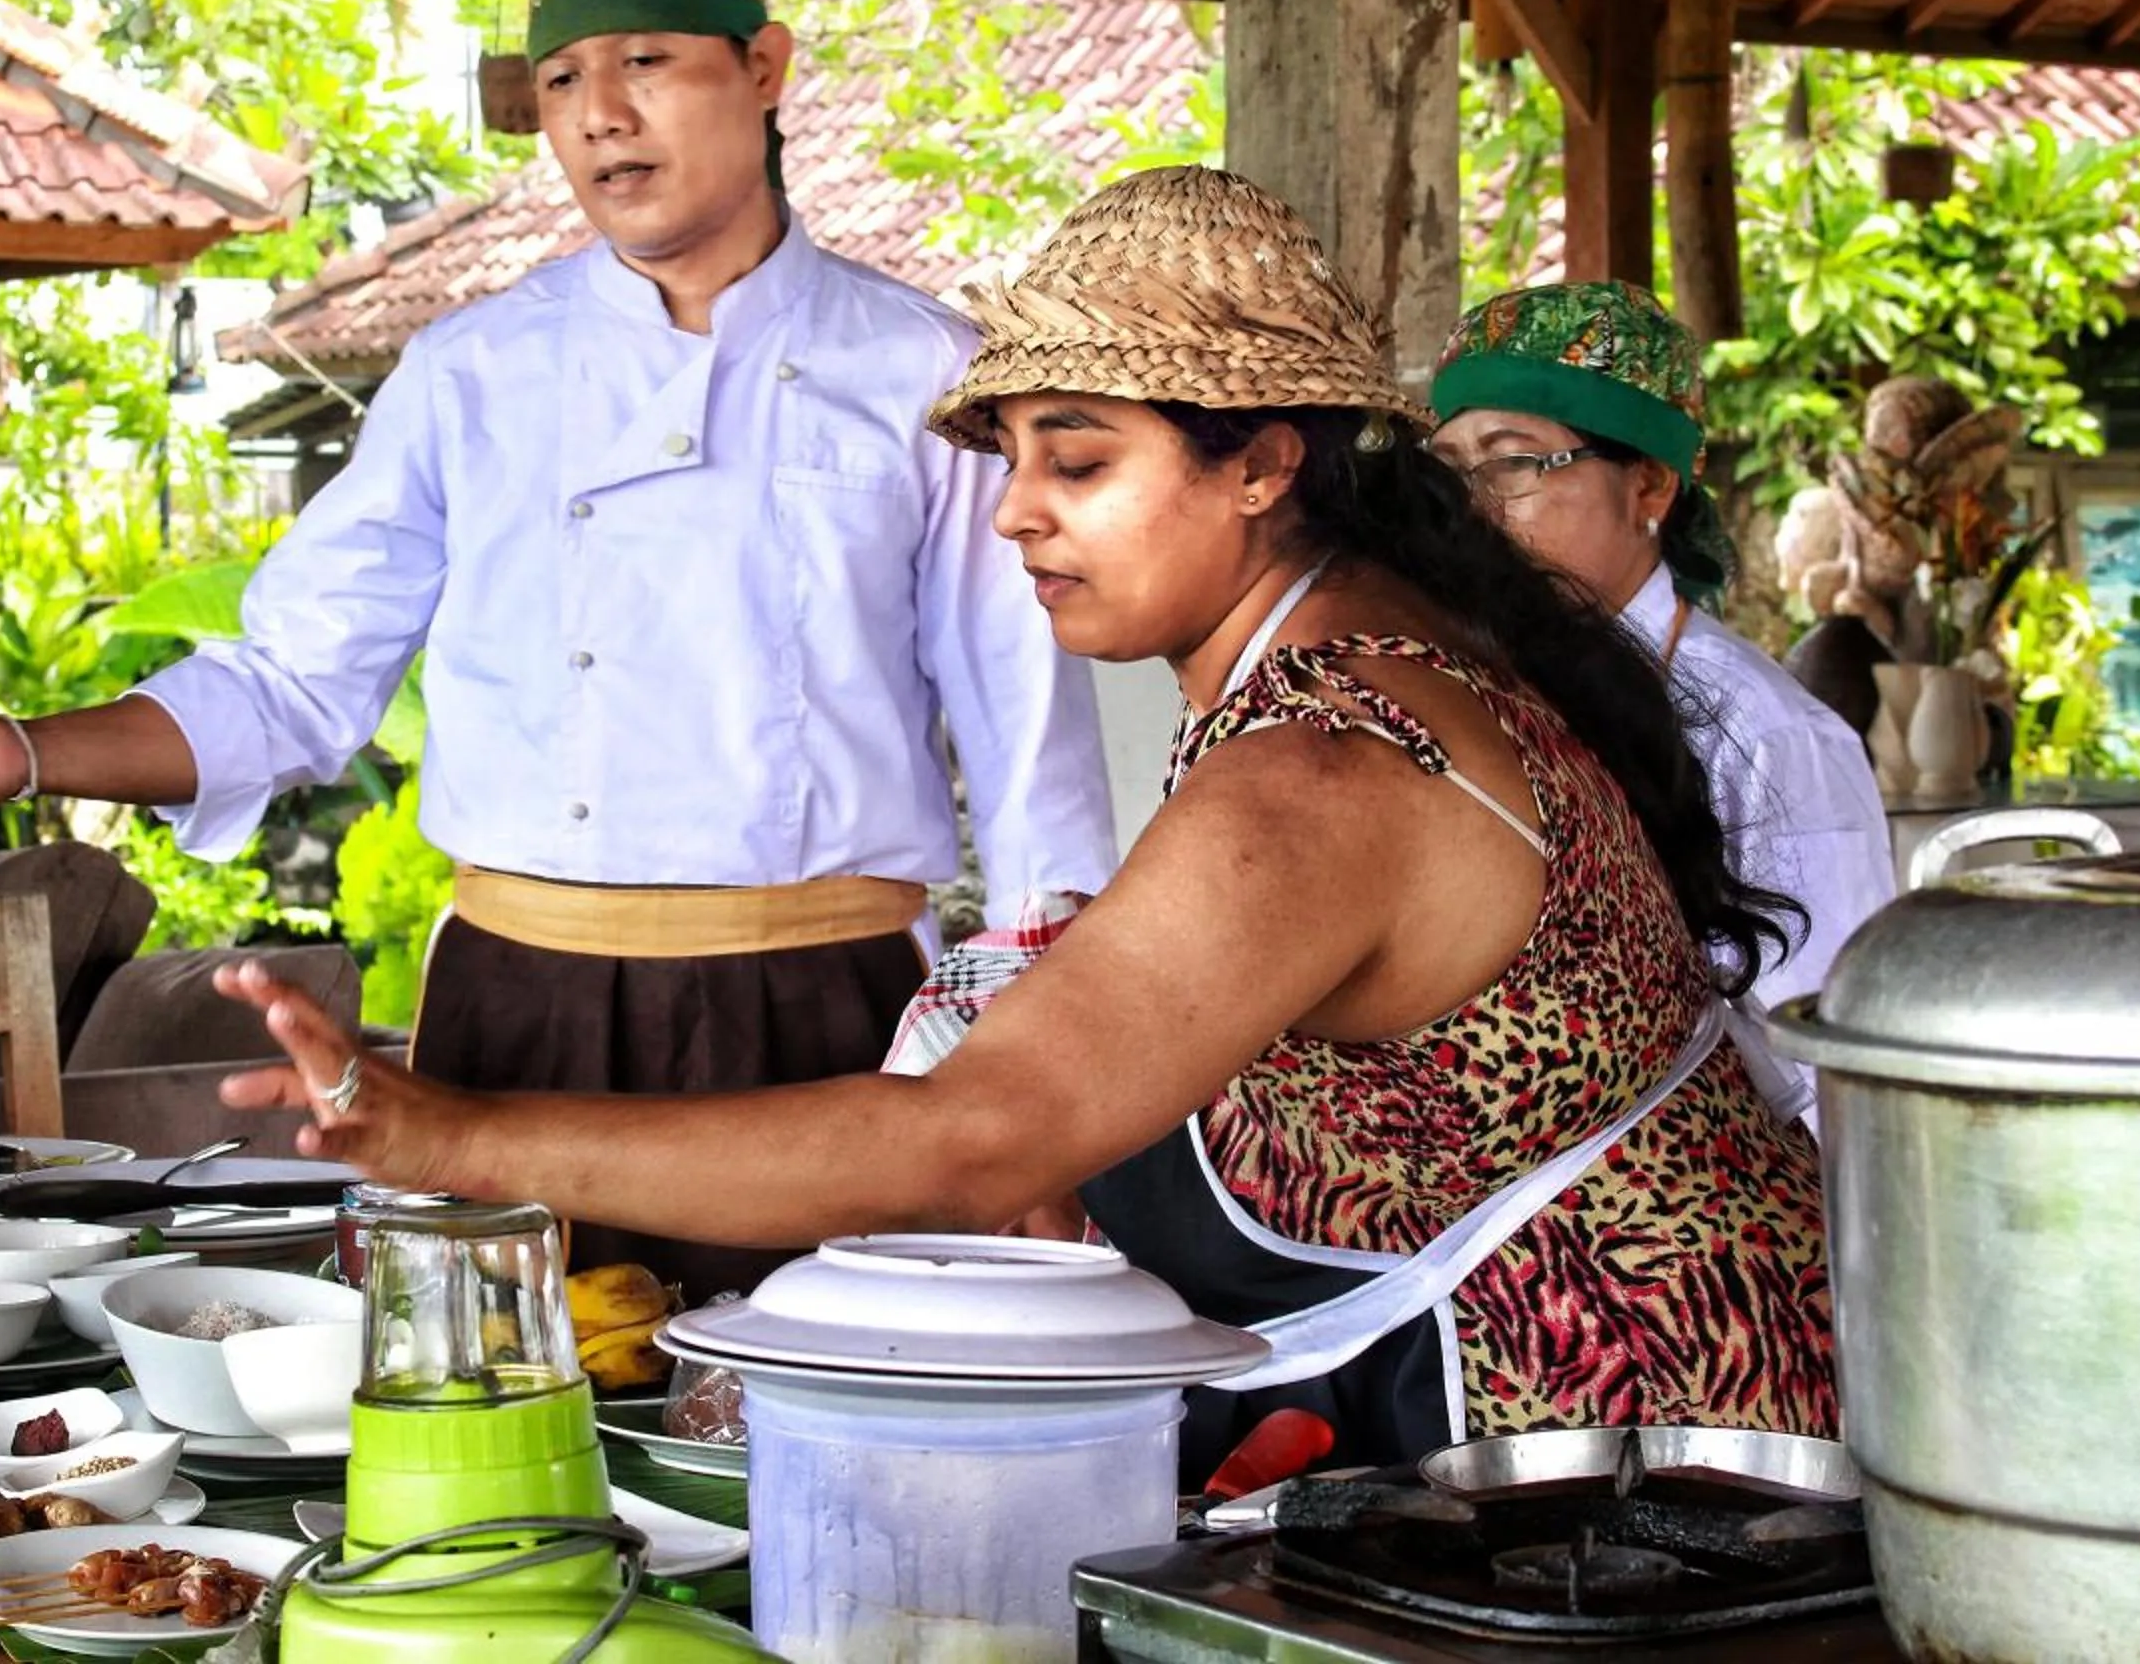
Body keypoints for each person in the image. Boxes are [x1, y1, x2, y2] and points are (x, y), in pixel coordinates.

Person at [212, 168, 1838, 1472]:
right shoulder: (1354, 668)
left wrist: (452, 1136)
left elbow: (972, 1135)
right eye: (1008, 456)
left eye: (1078, 461)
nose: (1016, 513)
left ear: (1263, 464)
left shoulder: (1333, 762)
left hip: (1615, 1462)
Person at [0, 0, 1118, 1302]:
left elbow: (1033, 765)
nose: (600, 116)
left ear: (765, 68)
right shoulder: (476, 372)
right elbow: (293, 682)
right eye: (562, 82)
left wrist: (1043, 1106)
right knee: (494, 1449)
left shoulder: (927, 374)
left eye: (648, 61)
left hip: (827, 1011)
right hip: (511, 1007)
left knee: (810, 1432)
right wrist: (26, 750)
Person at [1427, 282, 1896, 1131]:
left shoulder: (1765, 735)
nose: (1473, 507)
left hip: (1723, 1212)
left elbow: (1837, 1063)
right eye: (1454, 469)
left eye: (1512, 461)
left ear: (1649, 486)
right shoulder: (1472, 690)